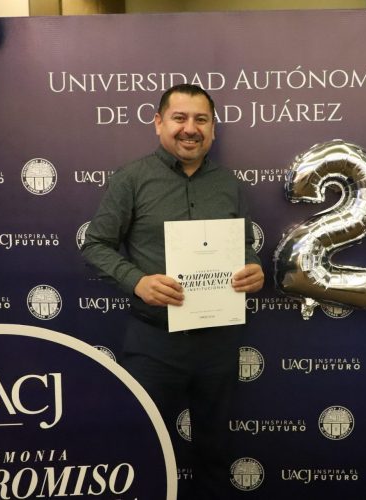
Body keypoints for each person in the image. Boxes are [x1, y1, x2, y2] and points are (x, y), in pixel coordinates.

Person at [81, 83, 264, 499]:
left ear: (213, 129)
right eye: (179, 118)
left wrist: (252, 268)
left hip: (218, 341)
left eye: (201, 120)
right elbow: (95, 245)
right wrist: (137, 281)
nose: (190, 128)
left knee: (215, 451)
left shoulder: (229, 184)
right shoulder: (132, 179)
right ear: (158, 123)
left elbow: (243, 246)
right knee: (145, 446)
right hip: (154, 342)